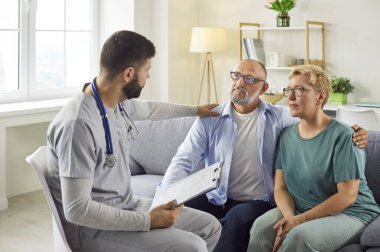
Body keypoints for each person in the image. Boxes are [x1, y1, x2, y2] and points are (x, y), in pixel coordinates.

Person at [160, 59, 369, 252]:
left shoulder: (281, 117)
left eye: (249, 79)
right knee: (176, 213)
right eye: (235, 75)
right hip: (218, 195)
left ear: (264, 88)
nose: (240, 82)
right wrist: (165, 197)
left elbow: (318, 121)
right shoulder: (210, 119)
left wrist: (355, 131)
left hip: (258, 201)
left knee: (239, 220)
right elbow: (183, 159)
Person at [46, 30, 222, 252]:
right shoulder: (77, 124)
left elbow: (151, 109)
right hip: (93, 229)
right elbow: (77, 209)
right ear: (129, 74)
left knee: (210, 226)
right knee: (193, 245)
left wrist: (196, 110)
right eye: (147, 70)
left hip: (128, 205)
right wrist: (148, 221)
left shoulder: (115, 102)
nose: (148, 76)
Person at [248, 65, 380, 252]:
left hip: (351, 213)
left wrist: (299, 221)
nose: (290, 97)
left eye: (299, 90)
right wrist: (289, 217)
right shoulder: (286, 136)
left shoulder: (344, 136)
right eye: (289, 90)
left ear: (321, 96)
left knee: (299, 237)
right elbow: (281, 187)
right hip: (302, 208)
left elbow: (347, 196)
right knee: (261, 228)